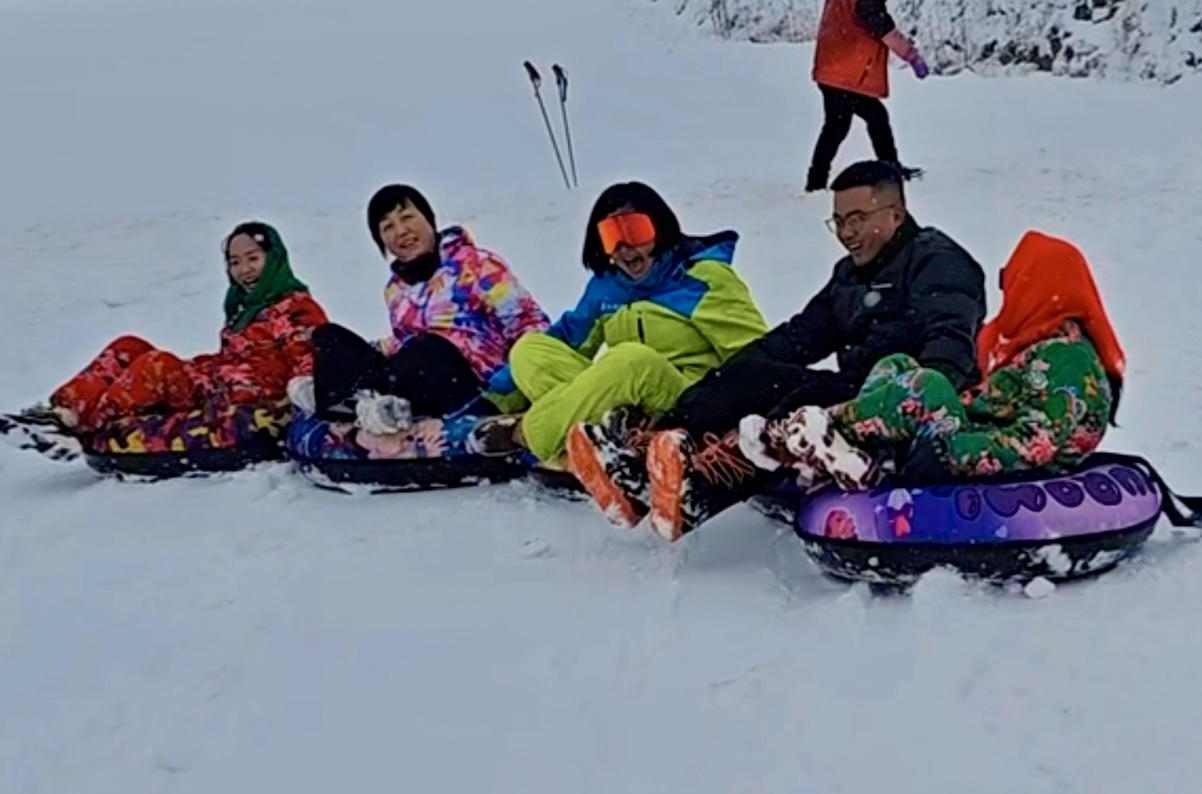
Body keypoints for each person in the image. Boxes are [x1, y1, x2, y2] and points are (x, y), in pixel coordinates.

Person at [635, 159, 987, 538]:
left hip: (903, 400)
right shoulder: (849, 276)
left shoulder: (938, 262)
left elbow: (949, 345)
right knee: (753, 375)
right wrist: (723, 383)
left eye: (857, 220)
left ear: (896, 215)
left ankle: (701, 495)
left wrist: (912, 414)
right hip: (855, 387)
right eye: (839, 221)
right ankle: (653, 450)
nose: (846, 233)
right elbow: (798, 338)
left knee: (807, 398)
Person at [749, 230, 1124, 489]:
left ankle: (818, 431)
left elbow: (1035, 442)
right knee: (898, 363)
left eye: (1012, 285)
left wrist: (953, 449)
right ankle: (849, 452)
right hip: (967, 436)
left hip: (975, 455)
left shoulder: (1067, 360)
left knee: (928, 385)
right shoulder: (1038, 346)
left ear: (1038, 288)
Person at [488, 183, 767, 522]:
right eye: (611, 237)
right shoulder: (608, 287)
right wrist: (495, 397)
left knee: (631, 360)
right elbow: (568, 342)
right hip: (630, 406)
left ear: (660, 228)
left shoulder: (703, 279)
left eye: (634, 230)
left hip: (691, 402)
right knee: (530, 350)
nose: (624, 248)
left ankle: (526, 435)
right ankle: (586, 454)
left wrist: (738, 419)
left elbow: (754, 352)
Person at [45, 223, 327, 457]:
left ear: (273, 258)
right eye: (235, 262)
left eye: (253, 259)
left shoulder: (295, 307)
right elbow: (235, 358)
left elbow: (311, 356)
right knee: (128, 347)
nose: (244, 270)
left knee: (157, 365)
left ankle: (83, 428)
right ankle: (59, 414)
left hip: (249, 398)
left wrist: (308, 395)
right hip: (215, 385)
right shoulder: (245, 308)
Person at [304, 185, 547, 454]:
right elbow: (402, 342)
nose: (401, 231)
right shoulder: (395, 290)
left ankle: (370, 414)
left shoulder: (477, 264)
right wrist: (354, 356)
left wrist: (515, 379)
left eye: (407, 217)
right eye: (388, 227)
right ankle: (359, 411)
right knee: (329, 336)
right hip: (417, 376)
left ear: (429, 219)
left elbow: (529, 322)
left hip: (473, 383)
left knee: (429, 347)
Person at [806, 0, 928, 191]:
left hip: (840, 70)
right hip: (840, 72)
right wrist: (912, 56)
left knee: (871, 117)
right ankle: (816, 182)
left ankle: (889, 167)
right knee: (838, 126)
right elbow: (885, 30)